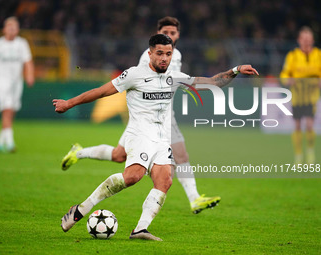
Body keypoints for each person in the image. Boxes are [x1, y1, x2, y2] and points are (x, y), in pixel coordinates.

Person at [53, 34, 258, 240]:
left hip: (162, 138)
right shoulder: (134, 75)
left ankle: (140, 229)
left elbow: (212, 82)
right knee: (133, 176)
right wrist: (68, 103)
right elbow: (100, 91)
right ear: (150, 53)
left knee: (165, 181)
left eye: (168, 54)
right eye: (159, 53)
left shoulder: (174, 77)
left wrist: (235, 70)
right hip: (139, 133)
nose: (164, 58)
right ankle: (80, 209)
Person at [61, 16, 220, 214]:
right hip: (146, 117)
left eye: (173, 33)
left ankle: (79, 152)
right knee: (175, 157)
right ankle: (193, 199)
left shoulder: (175, 55)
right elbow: (139, 83)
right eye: (165, 32)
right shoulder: (150, 57)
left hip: (164, 115)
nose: (169, 35)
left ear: (178, 34)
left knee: (119, 155)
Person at [0, 16, 34, 152]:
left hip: (17, 82)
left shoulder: (22, 44)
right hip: (1, 80)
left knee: (12, 110)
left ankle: (1, 141)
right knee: (7, 108)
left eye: (14, 28)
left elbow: (27, 62)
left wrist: (29, 76)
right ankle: (10, 143)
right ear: (4, 29)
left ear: (17, 30)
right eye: (9, 27)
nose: (12, 30)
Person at [280, 26, 321, 164]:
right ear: (299, 40)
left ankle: (309, 151)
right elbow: (284, 74)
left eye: (308, 39)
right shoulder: (293, 56)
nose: (306, 42)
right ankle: (298, 154)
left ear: (313, 40)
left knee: (309, 125)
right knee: (297, 126)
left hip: (311, 97)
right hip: (297, 97)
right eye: (303, 39)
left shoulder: (318, 55)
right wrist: (287, 80)